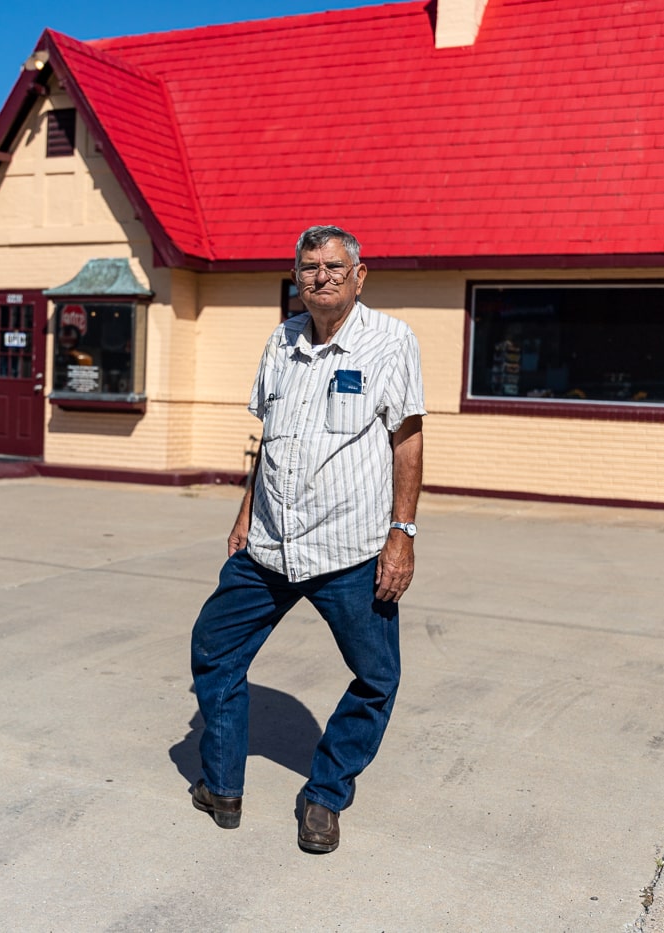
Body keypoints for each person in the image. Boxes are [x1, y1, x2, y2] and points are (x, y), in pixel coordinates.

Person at [189, 224, 426, 854]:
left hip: (349, 552)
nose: (319, 277)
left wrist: (401, 534)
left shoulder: (391, 342)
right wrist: (245, 514)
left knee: (376, 677)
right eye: (308, 268)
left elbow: (407, 441)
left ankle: (324, 796)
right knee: (215, 652)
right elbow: (268, 441)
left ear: (359, 275)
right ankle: (223, 786)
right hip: (268, 546)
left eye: (332, 267)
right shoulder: (281, 340)